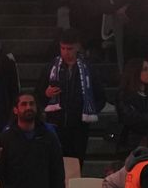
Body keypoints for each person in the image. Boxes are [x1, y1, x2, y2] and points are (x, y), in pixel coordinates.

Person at [43, 30, 103, 162]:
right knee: (56, 162)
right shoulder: (52, 67)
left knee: (76, 163)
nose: (65, 52)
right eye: (62, 48)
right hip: (56, 124)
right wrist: (46, 94)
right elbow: (38, 94)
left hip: (79, 126)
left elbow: (100, 96)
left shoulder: (89, 68)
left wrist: (89, 110)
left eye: (69, 48)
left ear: (77, 47)